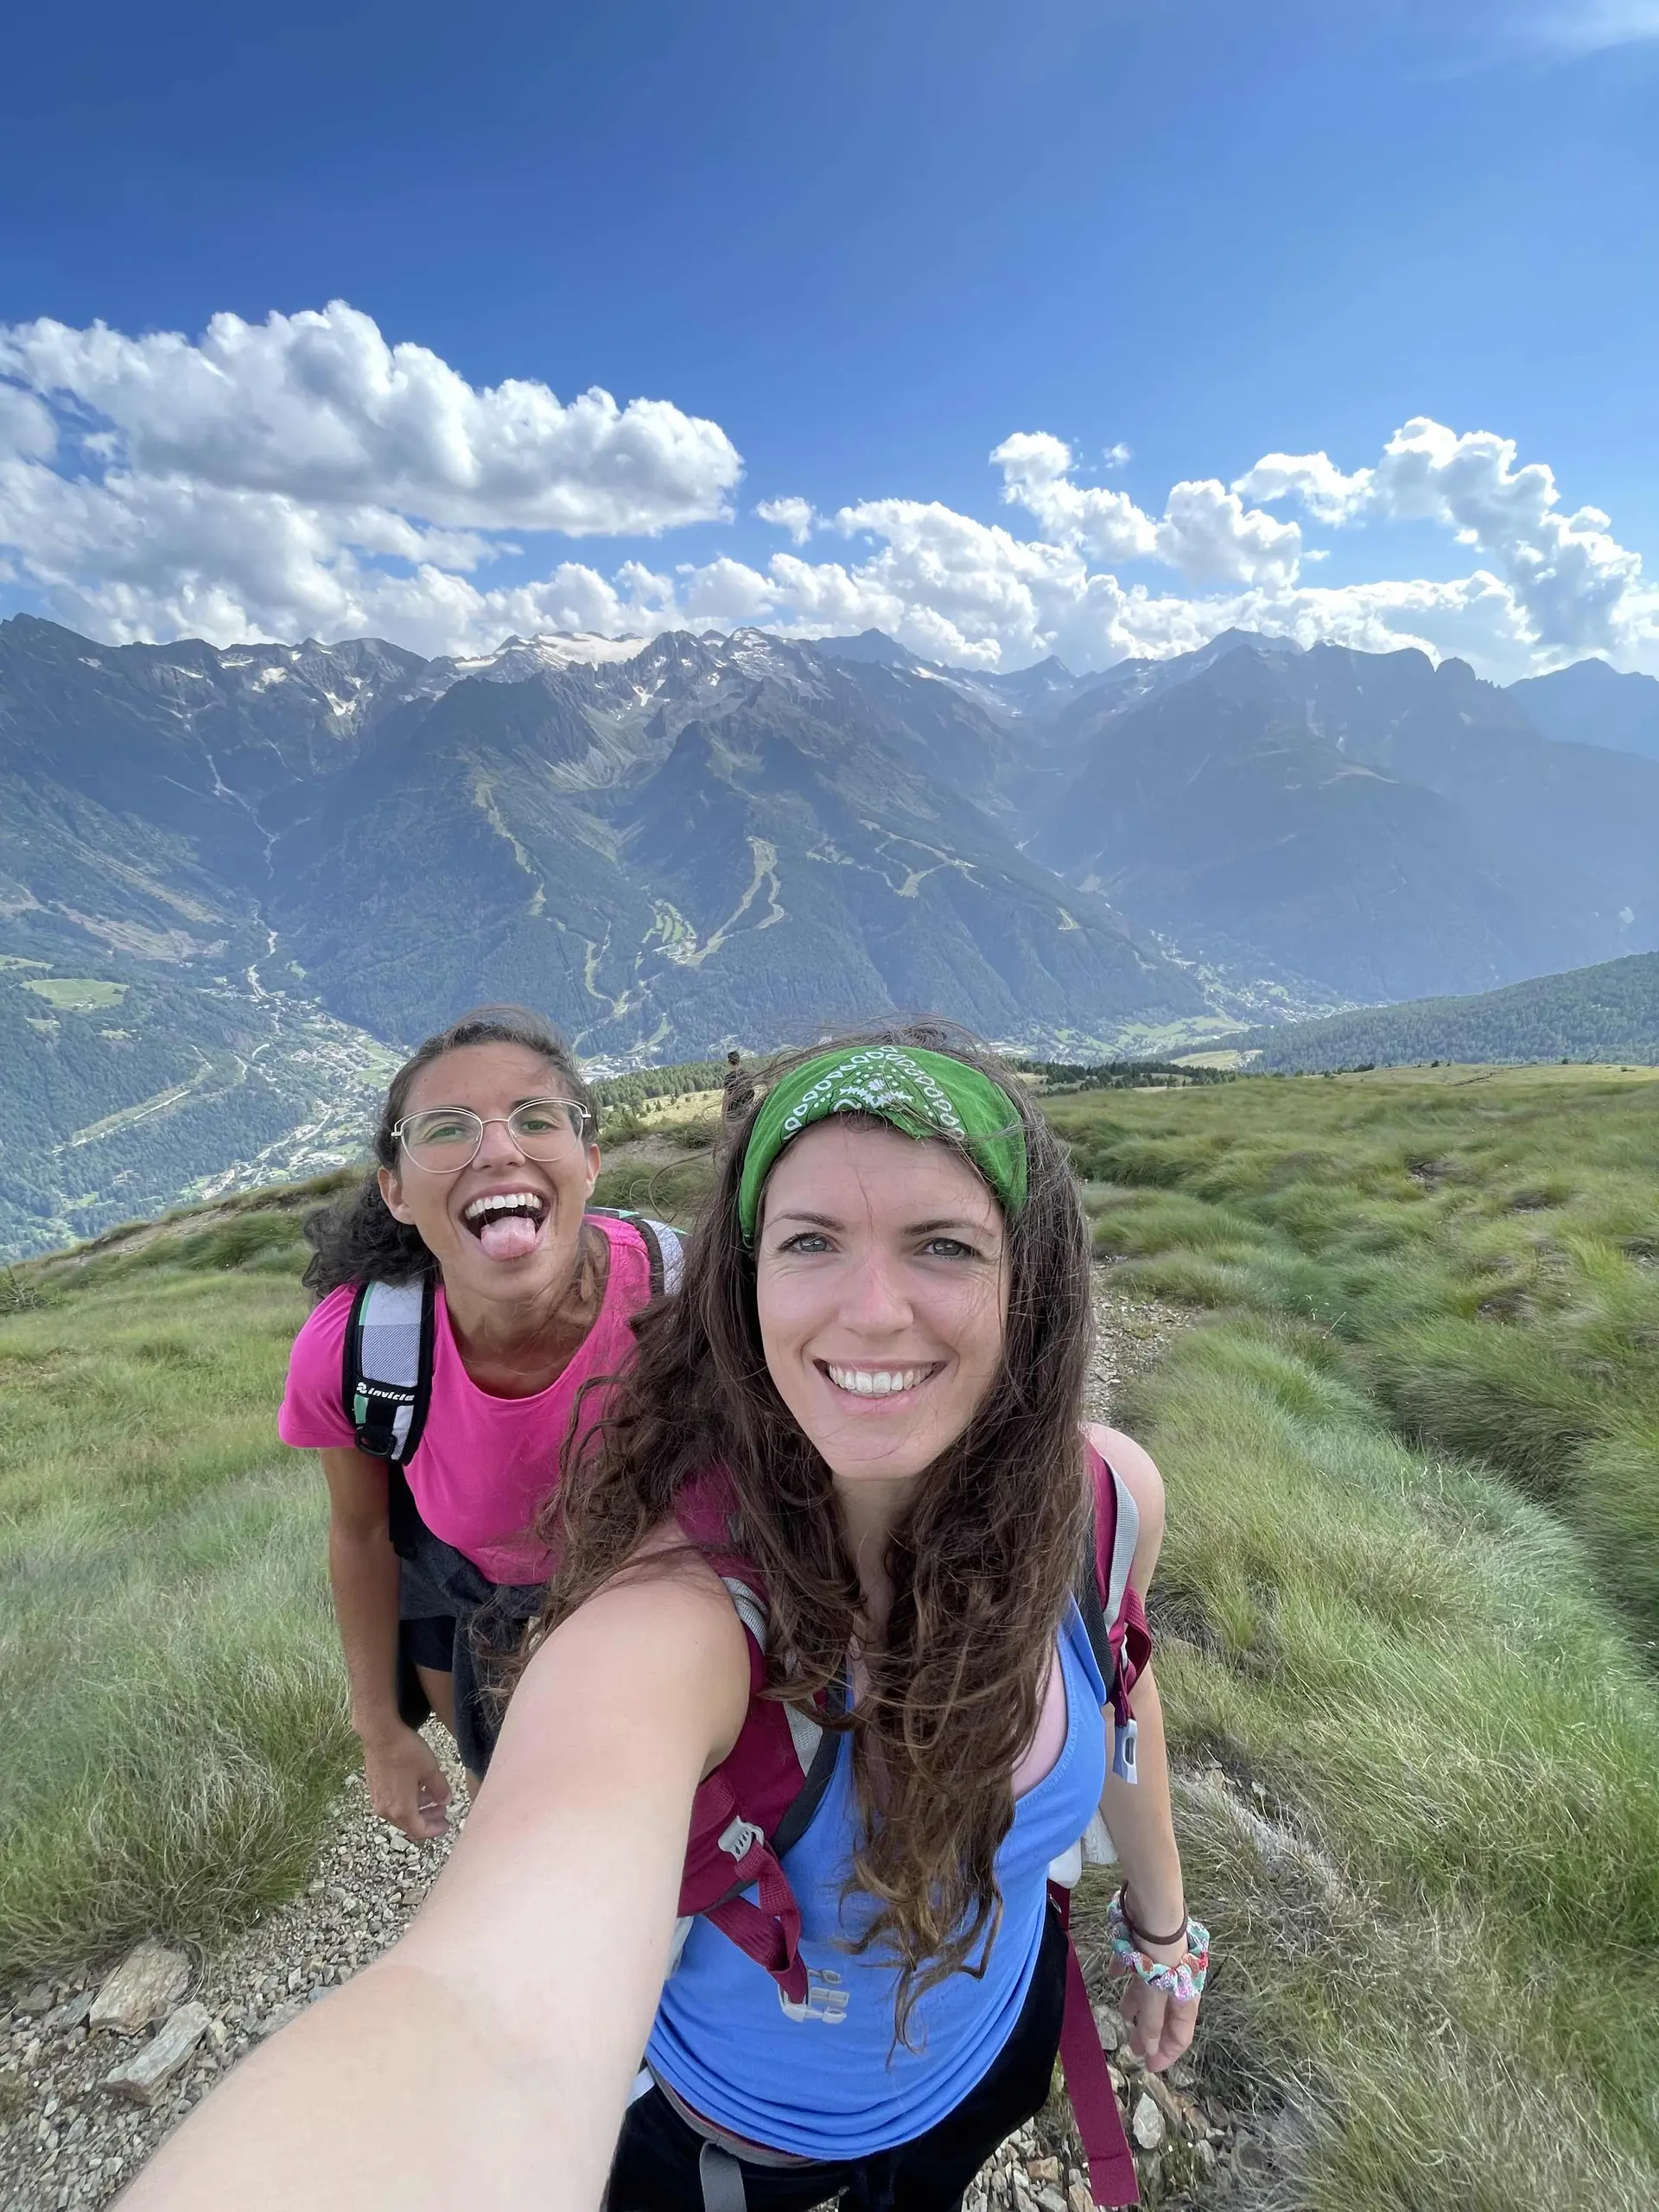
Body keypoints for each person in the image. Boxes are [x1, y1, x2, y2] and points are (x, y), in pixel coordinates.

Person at [125, 1026, 1202, 2212]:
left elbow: (1122, 1692)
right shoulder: (674, 1624)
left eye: (944, 1243)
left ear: (1031, 1281)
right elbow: (483, 2010)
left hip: (993, 2054)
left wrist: (1163, 1930)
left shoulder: (1105, 1500)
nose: (874, 1310)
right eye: (810, 1241)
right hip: (737, 2148)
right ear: (743, 1289)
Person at [279, 1004, 670, 1838]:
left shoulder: (686, 1299)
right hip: (472, 1611)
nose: (497, 1150)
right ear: (396, 1192)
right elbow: (361, 1534)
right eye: (446, 1129)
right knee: (517, 1810)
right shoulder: (359, 1351)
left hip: (659, 1603)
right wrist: (379, 1731)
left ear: (590, 1161)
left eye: (536, 1118)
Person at [721, 1047, 757, 1124]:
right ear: (739, 1061)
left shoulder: (729, 1079)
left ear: (729, 1063)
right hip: (747, 1111)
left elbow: (726, 1098)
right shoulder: (746, 1076)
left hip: (733, 1114)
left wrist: (723, 1115)